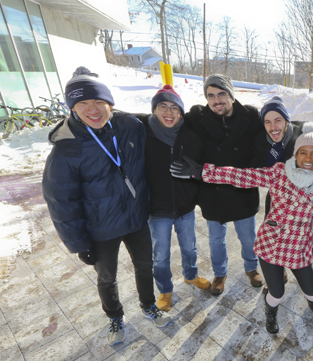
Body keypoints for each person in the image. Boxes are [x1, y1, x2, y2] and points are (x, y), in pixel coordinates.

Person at [42, 67, 171, 346]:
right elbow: (61, 202)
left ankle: (148, 305)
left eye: (100, 101)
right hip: (100, 228)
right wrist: (79, 243)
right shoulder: (66, 148)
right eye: (84, 103)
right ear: (73, 107)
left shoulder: (130, 126)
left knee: (144, 266)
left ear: (110, 103)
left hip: (135, 218)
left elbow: (165, 126)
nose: (94, 109)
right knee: (106, 277)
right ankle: (114, 316)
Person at [171, 123, 313, 334]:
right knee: (277, 294)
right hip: (272, 244)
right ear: (295, 154)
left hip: (300, 247)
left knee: (312, 291)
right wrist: (203, 172)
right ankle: (271, 312)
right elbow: (242, 176)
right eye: (303, 152)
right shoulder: (280, 173)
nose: (308, 158)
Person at [175, 74, 264, 296]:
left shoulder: (251, 116)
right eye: (211, 96)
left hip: (242, 190)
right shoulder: (198, 117)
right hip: (211, 192)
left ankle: (251, 267)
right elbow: (168, 118)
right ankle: (220, 273)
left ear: (231, 95)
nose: (217, 100)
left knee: (248, 236)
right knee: (216, 239)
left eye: (222, 94)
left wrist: (249, 175)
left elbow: (267, 139)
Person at [258, 97, 313, 295]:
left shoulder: (304, 137)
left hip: (305, 202)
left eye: (278, 119)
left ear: (287, 120)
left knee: (311, 243)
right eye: (268, 121)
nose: (273, 126)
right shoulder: (262, 140)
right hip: (277, 199)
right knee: (274, 236)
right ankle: (277, 274)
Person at [135, 85, 210, 312]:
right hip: (157, 210)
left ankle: (190, 275)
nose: (169, 112)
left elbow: (200, 166)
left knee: (190, 248)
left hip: (185, 206)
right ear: (154, 110)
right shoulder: (144, 135)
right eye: (163, 107)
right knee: (161, 255)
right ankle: (165, 290)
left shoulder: (189, 136)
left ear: (181, 112)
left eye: (174, 108)